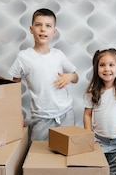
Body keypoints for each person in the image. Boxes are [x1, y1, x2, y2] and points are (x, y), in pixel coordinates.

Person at [9, 8, 79, 142]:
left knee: (65, 154)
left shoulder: (58, 55)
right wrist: (17, 114)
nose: (43, 29)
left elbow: (76, 77)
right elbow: (13, 87)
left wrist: (69, 77)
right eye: (38, 25)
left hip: (66, 115)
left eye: (48, 26)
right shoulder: (23, 57)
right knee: (38, 155)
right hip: (41, 118)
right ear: (31, 29)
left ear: (54, 31)